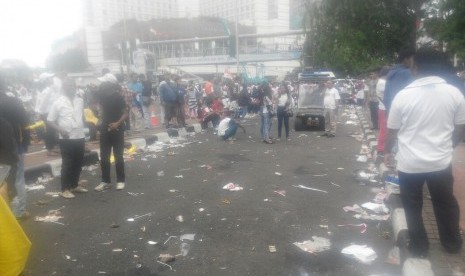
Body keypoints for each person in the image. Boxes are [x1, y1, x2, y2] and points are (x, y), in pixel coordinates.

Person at [384, 48, 465, 257]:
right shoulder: (454, 93)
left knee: (412, 206)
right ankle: (452, 243)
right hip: (440, 162)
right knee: (445, 203)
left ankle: (419, 247)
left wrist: (387, 152)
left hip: (409, 164)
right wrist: (449, 145)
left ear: (415, 68)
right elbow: (460, 127)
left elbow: (392, 131)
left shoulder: (403, 96)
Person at [47, 78, 87, 199]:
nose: (71, 87)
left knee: (78, 162)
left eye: (72, 85)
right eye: (68, 85)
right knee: (67, 164)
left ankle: (74, 185)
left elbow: (82, 116)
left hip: (80, 136)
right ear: (63, 88)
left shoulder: (80, 100)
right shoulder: (58, 102)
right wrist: (60, 130)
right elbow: (50, 120)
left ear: (75, 87)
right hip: (66, 138)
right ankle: (64, 189)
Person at [94, 72, 128, 192]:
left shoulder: (118, 97)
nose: (102, 84)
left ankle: (120, 180)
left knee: (118, 156)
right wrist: (99, 122)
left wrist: (117, 123)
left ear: (110, 84)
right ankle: (105, 181)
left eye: (104, 82)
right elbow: (102, 111)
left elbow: (125, 113)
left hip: (117, 129)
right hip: (105, 128)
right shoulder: (102, 96)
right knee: (104, 156)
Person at [384, 47, 415, 115]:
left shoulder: (392, 72)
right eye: (413, 59)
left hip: (392, 112)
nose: (415, 62)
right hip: (404, 115)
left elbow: (386, 98)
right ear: (406, 60)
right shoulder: (407, 73)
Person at [35, 72, 60, 156]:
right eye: (49, 78)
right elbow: (42, 105)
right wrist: (40, 114)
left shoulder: (53, 89)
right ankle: (49, 149)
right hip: (47, 114)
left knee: (53, 131)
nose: (52, 79)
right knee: (50, 131)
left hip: (53, 113)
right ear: (46, 81)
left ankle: (52, 147)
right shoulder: (46, 91)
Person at [376, 66, 390, 155]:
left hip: (382, 108)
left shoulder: (381, 81)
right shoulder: (383, 82)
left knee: (384, 129)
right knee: (384, 129)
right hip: (384, 108)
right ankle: (381, 148)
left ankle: (381, 147)